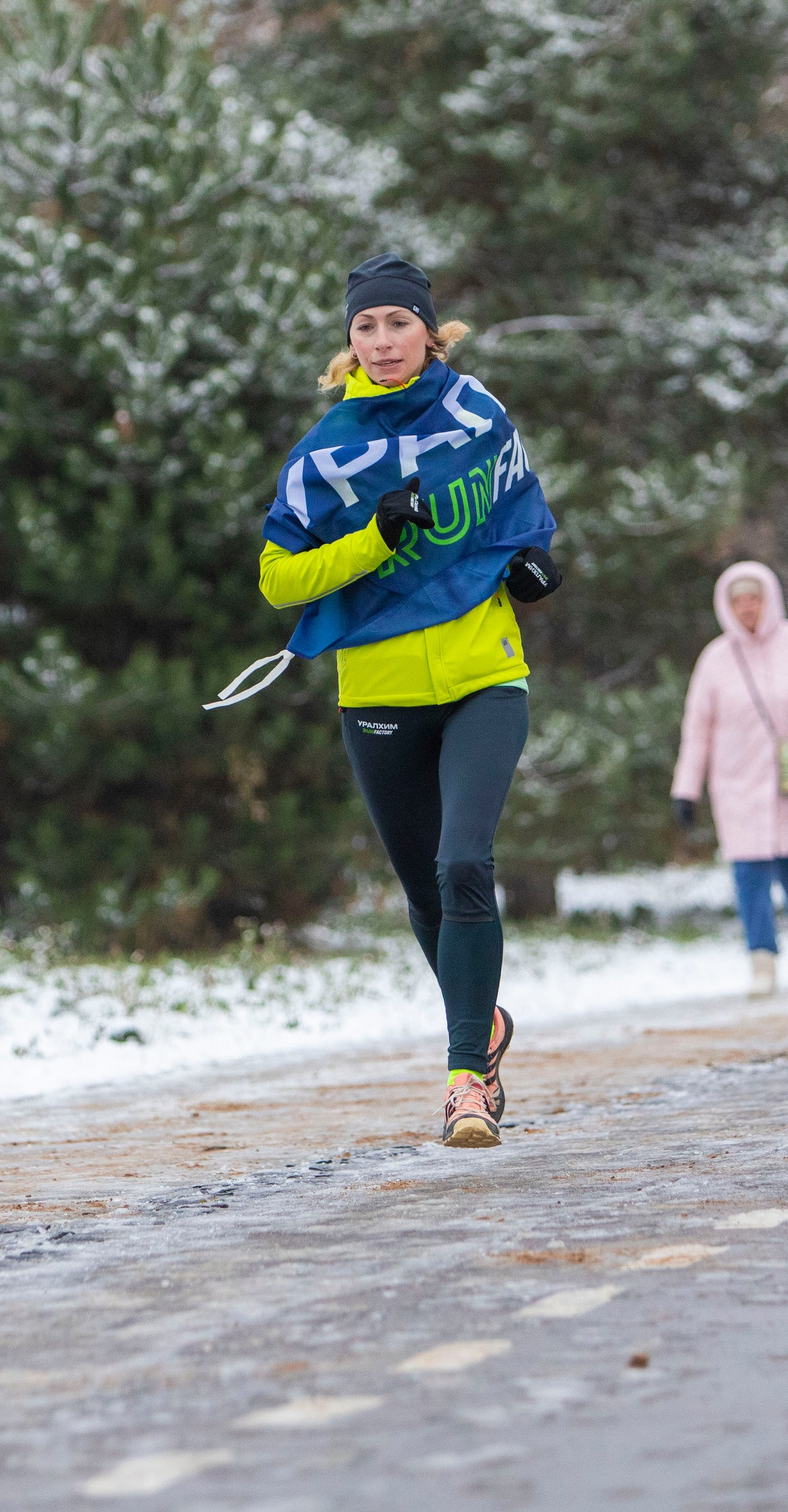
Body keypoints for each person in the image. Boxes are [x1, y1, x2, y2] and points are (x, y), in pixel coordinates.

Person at [221, 253, 561, 1147]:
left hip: (485, 676)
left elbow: (517, 510)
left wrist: (530, 560)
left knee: (463, 865)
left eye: (398, 322)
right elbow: (278, 579)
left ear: (429, 331)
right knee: (424, 893)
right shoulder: (327, 453)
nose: (382, 340)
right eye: (365, 326)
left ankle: (464, 1082)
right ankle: (483, 1021)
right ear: (350, 343)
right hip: (378, 692)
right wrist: (375, 536)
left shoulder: (477, 413)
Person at [669, 562, 788, 998]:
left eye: (753, 598)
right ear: (726, 606)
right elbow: (697, 729)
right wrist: (686, 790)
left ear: (769, 599)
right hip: (737, 786)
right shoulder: (715, 659)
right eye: (738, 600)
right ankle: (762, 961)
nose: (747, 608)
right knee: (749, 877)